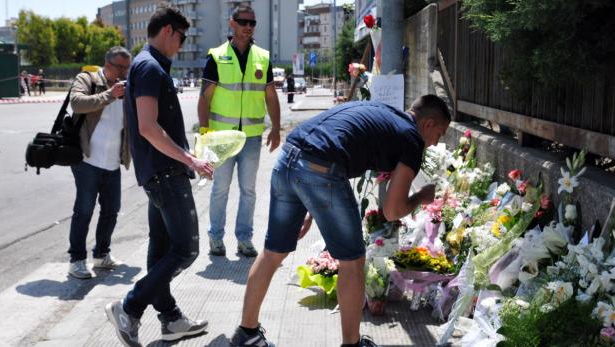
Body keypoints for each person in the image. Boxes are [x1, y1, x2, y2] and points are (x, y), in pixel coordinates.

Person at [230, 95, 451, 347]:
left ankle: (246, 335)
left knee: (272, 252)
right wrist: (421, 197)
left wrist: (310, 208)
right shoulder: (411, 138)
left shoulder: (385, 114)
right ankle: (352, 344)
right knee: (353, 262)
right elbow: (392, 210)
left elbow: (332, 142)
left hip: (288, 158)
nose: (435, 143)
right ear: (428, 124)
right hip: (320, 169)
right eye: (440, 134)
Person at [105, 4, 213, 346]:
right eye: (181, 38)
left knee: (161, 248)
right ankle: (130, 306)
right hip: (166, 174)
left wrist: (188, 154)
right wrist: (188, 160)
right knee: (185, 249)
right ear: (168, 31)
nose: (180, 45)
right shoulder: (150, 67)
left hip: (160, 172)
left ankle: (170, 319)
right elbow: (148, 128)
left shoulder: (145, 64)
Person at [197, 5, 280, 258]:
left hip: (251, 137)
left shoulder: (262, 57)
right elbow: (205, 98)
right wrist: (204, 132)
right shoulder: (217, 56)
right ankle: (215, 238)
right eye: (243, 22)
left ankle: (244, 239)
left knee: (249, 191)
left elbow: (270, 95)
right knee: (220, 189)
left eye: (252, 23)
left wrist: (276, 128)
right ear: (231, 24)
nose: (248, 27)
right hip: (221, 137)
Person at [67, 46, 132, 279]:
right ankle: (76, 260)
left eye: (127, 67)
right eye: (120, 67)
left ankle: (101, 254)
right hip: (88, 160)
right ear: (108, 64)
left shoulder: (128, 87)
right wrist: (110, 94)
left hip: (113, 162)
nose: (124, 72)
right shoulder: (88, 79)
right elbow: (77, 102)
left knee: (111, 211)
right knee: (83, 211)